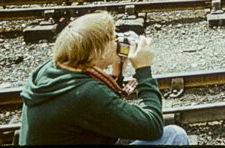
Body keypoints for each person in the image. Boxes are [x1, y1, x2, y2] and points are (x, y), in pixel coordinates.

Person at [20, 11, 189, 145]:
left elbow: (105, 115)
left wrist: (117, 72)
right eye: (113, 38)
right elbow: (152, 127)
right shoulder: (85, 94)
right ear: (98, 53)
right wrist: (143, 70)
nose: (118, 40)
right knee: (174, 136)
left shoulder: (50, 70)